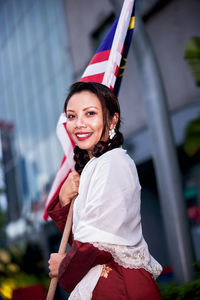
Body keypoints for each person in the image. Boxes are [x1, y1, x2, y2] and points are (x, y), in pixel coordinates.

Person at [48, 81, 163, 299]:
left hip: (118, 285)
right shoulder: (97, 165)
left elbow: (96, 242)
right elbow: (82, 235)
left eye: (90, 113)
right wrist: (64, 200)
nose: (79, 124)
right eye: (72, 116)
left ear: (112, 120)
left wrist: (65, 265)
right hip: (105, 283)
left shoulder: (113, 162)